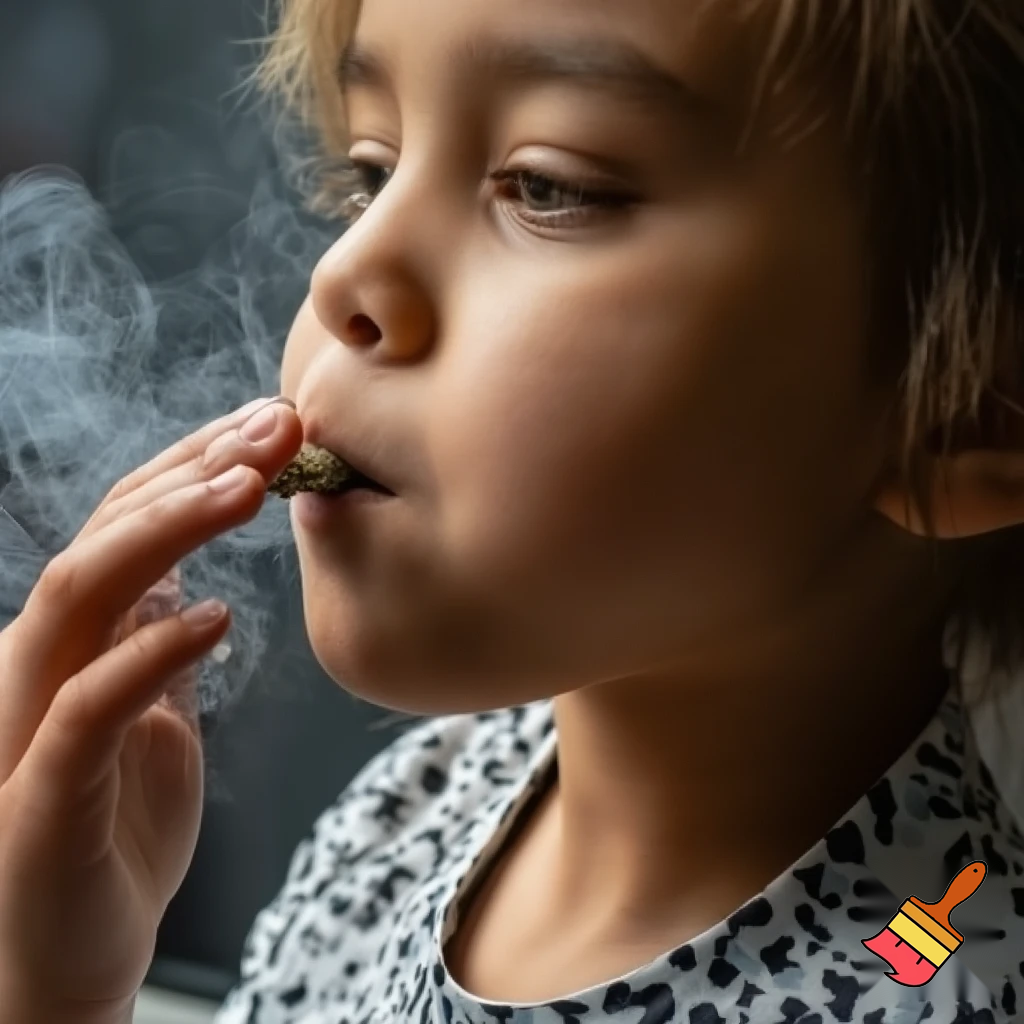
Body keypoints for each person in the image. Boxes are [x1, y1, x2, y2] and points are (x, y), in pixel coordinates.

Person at [0, 0, 1022, 1021]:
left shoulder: (922, 984)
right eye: (369, 173)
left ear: (977, 404)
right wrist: (55, 989)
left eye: (549, 187)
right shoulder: (433, 801)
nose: (339, 273)